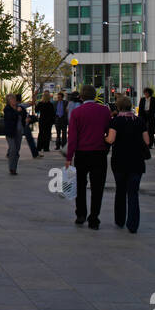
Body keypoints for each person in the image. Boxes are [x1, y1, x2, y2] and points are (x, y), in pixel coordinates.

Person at [65, 84, 111, 230]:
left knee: (80, 185)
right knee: (98, 187)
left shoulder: (77, 113)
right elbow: (108, 131)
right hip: (99, 153)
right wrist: (105, 148)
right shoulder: (104, 111)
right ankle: (94, 218)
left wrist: (69, 156)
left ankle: (81, 214)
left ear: (81, 97)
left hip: (82, 153)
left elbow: (72, 137)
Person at [106, 95, 150, 234]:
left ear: (118, 107)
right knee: (133, 193)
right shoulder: (139, 120)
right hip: (137, 161)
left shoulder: (116, 121)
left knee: (120, 190)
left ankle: (120, 220)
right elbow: (147, 141)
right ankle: (133, 224)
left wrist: (105, 138)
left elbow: (111, 139)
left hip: (120, 160)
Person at [3, 93, 24, 174]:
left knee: (17, 151)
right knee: (13, 149)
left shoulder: (20, 107)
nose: (13, 101)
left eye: (14, 99)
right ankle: (12, 168)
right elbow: (10, 117)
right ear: (8, 101)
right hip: (10, 133)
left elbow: (24, 115)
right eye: (11, 99)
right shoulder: (7, 109)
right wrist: (16, 111)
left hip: (19, 132)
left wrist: (29, 119)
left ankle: (14, 168)